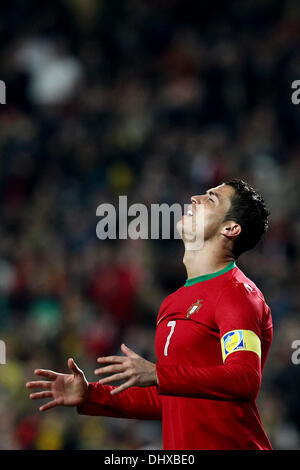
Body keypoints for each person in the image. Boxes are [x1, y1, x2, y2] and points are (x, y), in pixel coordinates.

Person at [26, 178, 273, 450]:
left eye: (211, 199)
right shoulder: (173, 302)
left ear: (230, 228)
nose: (195, 198)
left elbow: (245, 379)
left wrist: (160, 374)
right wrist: (91, 396)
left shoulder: (238, 294)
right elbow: (171, 399)